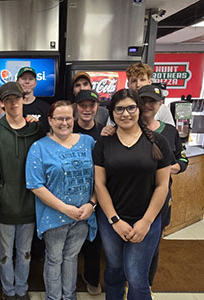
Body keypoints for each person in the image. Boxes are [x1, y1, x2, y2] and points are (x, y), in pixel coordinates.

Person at [93, 89, 172, 300]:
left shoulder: (158, 141)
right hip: (111, 220)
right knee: (115, 269)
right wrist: (115, 220)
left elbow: (162, 186)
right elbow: (100, 185)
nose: (125, 113)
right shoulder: (104, 142)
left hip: (147, 219)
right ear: (112, 112)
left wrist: (146, 222)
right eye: (119, 109)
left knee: (137, 277)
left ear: (139, 109)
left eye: (130, 108)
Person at [26, 100, 97, 300]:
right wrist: (66, 209)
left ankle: (69, 296)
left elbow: (100, 177)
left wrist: (91, 204)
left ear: (73, 119)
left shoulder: (88, 142)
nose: (64, 123)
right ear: (50, 120)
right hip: (54, 217)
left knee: (71, 257)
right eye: (59, 119)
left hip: (83, 215)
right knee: (54, 259)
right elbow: (35, 185)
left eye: (68, 118)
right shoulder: (39, 147)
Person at [0, 82, 45, 300]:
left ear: (23, 99)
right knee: (5, 254)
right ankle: (9, 291)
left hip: (29, 204)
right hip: (5, 206)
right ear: (2, 103)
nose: (13, 103)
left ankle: (22, 289)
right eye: (8, 99)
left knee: (25, 253)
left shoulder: (35, 130)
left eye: (16, 98)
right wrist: (1, 193)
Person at [138, 85, 188, 294]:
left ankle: (147, 283)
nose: (148, 105)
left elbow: (182, 159)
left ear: (160, 105)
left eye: (153, 101)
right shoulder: (129, 126)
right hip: (132, 196)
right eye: (144, 101)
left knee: (153, 242)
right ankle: (129, 281)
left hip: (160, 196)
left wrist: (172, 167)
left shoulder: (169, 131)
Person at [72, 89, 104, 295]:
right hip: (70, 194)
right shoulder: (67, 127)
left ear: (97, 107)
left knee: (94, 241)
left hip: (97, 194)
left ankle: (91, 278)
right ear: (76, 107)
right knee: (69, 244)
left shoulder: (105, 132)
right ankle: (66, 280)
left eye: (91, 105)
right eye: (82, 105)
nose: (86, 109)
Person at [102, 62, 175, 136]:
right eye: (134, 81)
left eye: (142, 80)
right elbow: (110, 130)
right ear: (128, 84)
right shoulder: (119, 106)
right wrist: (107, 130)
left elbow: (170, 134)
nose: (138, 85)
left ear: (149, 82)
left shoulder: (162, 108)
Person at [16, 67, 50, 131]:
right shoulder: (13, 106)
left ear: (35, 83)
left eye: (31, 79)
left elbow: (48, 132)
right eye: (23, 78)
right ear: (17, 81)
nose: (27, 81)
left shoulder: (45, 107)